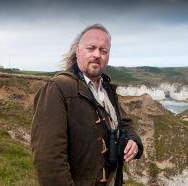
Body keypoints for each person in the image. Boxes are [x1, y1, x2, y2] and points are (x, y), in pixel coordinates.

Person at [31, 23, 143, 186]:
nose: (97, 54)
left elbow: (124, 124)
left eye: (103, 51)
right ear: (77, 50)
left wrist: (133, 141)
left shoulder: (107, 90)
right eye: (91, 48)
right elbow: (49, 158)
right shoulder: (58, 88)